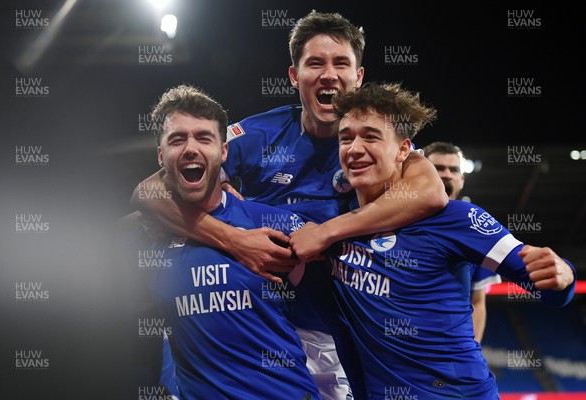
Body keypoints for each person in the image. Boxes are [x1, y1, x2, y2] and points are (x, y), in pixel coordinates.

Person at [132, 11, 448, 400]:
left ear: (359, 76)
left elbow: (431, 192)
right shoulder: (260, 133)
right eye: (315, 63)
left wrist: (327, 231)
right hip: (261, 325)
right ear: (294, 77)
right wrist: (234, 239)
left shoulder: (376, 137)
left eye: (341, 63)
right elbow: (148, 193)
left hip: (343, 330)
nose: (328, 74)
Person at [315, 81, 576, 399]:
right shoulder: (331, 225)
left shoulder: (455, 218)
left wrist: (563, 276)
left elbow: (543, 281)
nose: (354, 148)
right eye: (346, 138)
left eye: (370, 136)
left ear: (402, 149)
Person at [133, 84, 321, 399]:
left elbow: (344, 284)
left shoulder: (269, 223)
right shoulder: (144, 240)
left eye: (204, 138)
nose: (190, 148)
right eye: (177, 139)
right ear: (160, 157)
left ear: (223, 152)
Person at [422, 141, 502, 343]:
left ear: (461, 179)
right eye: (438, 168)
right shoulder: (394, 220)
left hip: (449, 348)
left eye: (453, 170)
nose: (446, 174)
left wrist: (471, 351)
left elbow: (477, 301)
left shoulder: (476, 233)